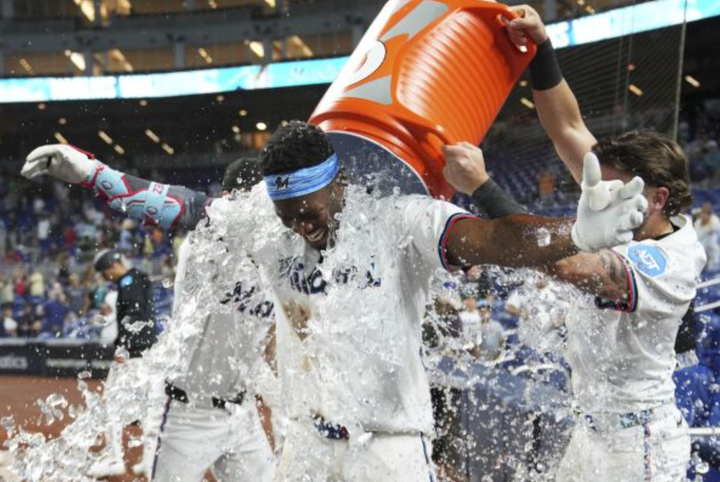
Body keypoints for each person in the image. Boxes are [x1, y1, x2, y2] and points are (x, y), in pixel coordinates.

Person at [22, 119, 646, 481]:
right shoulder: (269, 224)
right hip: (307, 447)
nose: (299, 227)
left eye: (309, 212)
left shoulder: (403, 223)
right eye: (286, 214)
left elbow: (491, 240)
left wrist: (574, 233)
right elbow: (182, 206)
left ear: (336, 185)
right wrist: (91, 175)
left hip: (391, 449)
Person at [443, 7, 706, 481]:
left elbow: (566, 265)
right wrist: (542, 49)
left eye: (614, 188)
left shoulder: (672, 258)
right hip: (591, 431)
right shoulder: (622, 205)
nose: (599, 195)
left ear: (658, 197)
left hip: (637, 444)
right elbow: (566, 128)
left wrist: (482, 187)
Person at [152, 157, 276, 482]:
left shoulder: (272, 254)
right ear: (227, 200)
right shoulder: (204, 243)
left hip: (241, 411)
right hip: (189, 411)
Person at [88, 250, 157, 477]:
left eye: (105, 271)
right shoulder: (138, 277)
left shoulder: (128, 282)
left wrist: (124, 347)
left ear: (111, 266)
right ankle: (149, 461)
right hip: (146, 354)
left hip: (132, 356)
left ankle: (113, 460)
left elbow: (135, 315)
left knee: (112, 405)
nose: (106, 275)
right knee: (148, 409)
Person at [694, 202, 720, 269]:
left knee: (713, 246)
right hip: (700, 248)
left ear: (709, 214)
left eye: (706, 214)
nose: (703, 216)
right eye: (703, 213)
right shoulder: (697, 222)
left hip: (712, 251)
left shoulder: (715, 221)